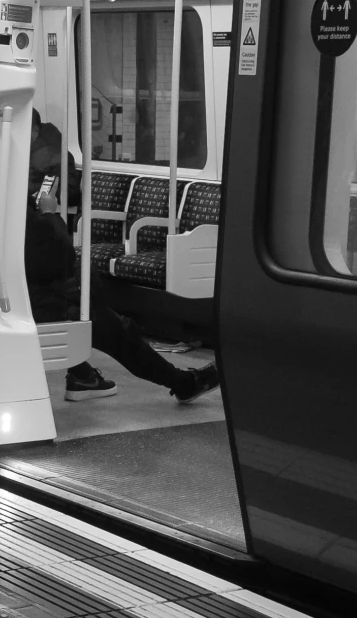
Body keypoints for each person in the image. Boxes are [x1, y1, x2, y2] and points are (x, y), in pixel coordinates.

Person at [24, 115, 217, 404]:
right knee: (118, 334)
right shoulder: (28, 205)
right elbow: (58, 254)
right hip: (48, 297)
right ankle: (183, 383)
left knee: (100, 314)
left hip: (28, 291)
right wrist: (50, 213)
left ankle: (83, 375)